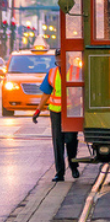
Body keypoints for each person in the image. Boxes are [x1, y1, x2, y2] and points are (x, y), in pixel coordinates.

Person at [32, 48, 79, 182]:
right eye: (57, 57)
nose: (59, 60)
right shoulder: (52, 73)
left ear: (67, 58)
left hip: (72, 110)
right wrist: (38, 110)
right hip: (56, 112)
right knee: (58, 142)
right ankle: (60, 172)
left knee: (71, 140)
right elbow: (46, 93)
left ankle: (73, 165)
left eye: (62, 57)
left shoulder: (77, 71)